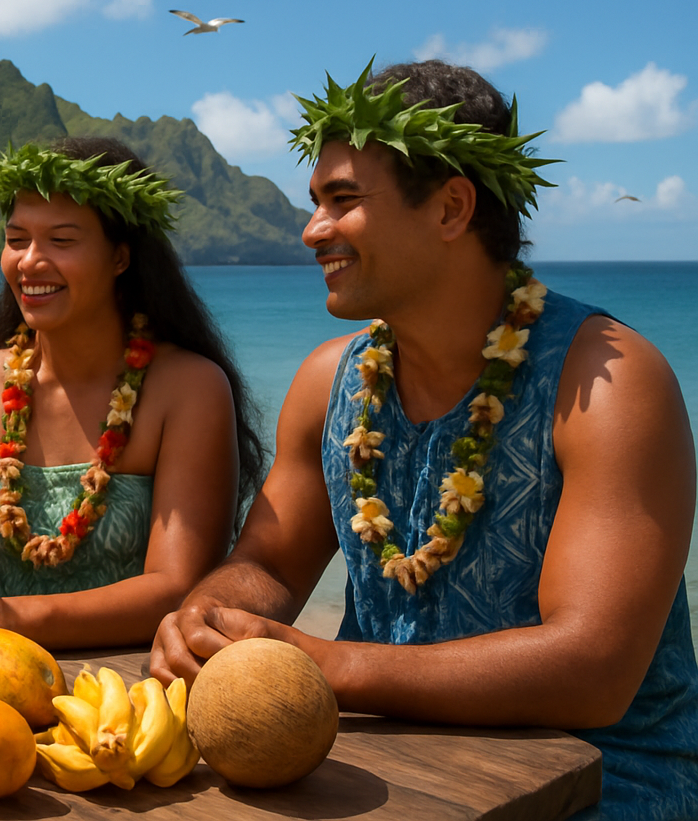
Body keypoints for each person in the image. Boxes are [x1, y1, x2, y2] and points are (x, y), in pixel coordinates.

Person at [151, 60, 698, 819]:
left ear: (451, 208)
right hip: (380, 757)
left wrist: (330, 664)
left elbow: (592, 671)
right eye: (316, 202)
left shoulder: (606, 382)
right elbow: (269, 564)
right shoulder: (328, 382)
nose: (312, 230)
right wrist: (205, 616)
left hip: (598, 781)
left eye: (343, 200)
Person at [0, 137, 266, 648]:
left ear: (120, 257)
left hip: (134, 688)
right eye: (16, 239)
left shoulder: (188, 389)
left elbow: (177, 589)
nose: (29, 262)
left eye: (61, 241)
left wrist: (11, 619)